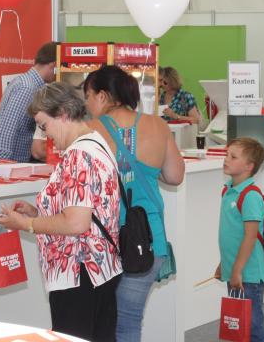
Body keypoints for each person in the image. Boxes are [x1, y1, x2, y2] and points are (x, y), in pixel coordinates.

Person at [0, 82, 122, 342]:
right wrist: (37, 212)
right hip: (100, 269)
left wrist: (27, 225)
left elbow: (76, 223)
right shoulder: (96, 143)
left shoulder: (78, 155)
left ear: (63, 113)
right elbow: (85, 205)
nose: (45, 135)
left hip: (79, 274)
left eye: (45, 126)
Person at [83, 65, 185, 342]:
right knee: (129, 322)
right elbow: (175, 176)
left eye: (89, 96)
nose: (88, 103)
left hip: (105, 242)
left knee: (104, 323)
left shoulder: (90, 131)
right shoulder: (157, 125)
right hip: (148, 239)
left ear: (103, 96)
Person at [214, 137, 264, 342]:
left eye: (233, 157)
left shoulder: (250, 196)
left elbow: (250, 236)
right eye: (227, 154)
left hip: (249, 274)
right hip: (236, 271)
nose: (226, 159)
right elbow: (231, 236)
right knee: (239, 325)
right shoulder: (228, 191)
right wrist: (224, 264)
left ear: (249, 166)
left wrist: (237, 269)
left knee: (252, 326)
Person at [0, 42, 57, 162]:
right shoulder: (27, 88)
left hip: (17, 164)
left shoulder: (25, 82)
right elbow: (7, 127)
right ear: (53, 65)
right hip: (13, 164)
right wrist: (3, 163)